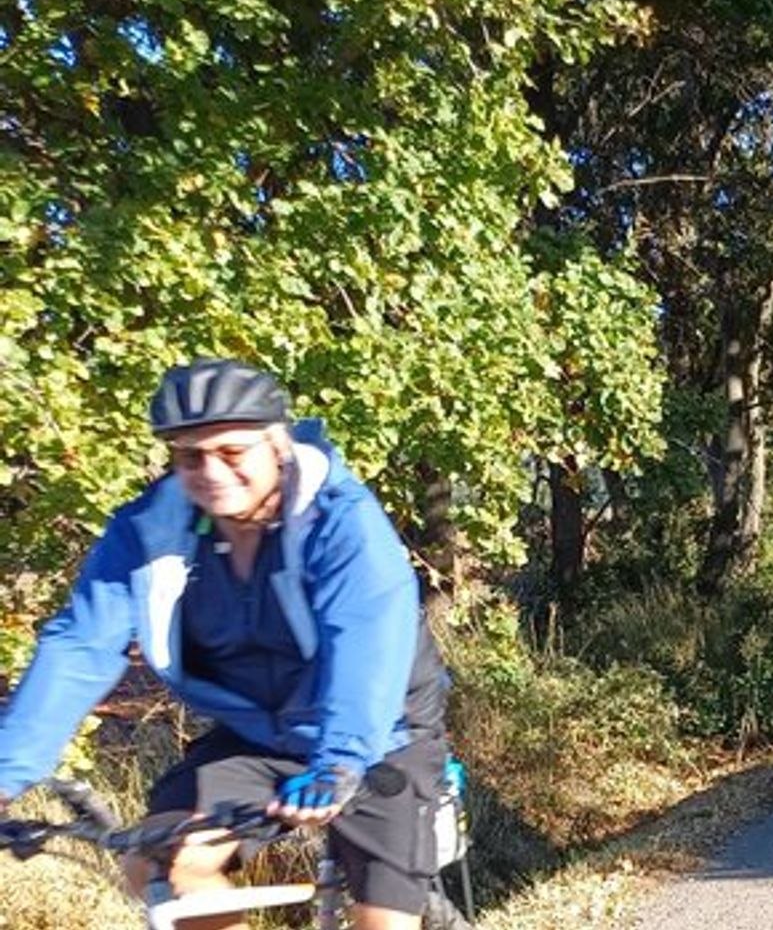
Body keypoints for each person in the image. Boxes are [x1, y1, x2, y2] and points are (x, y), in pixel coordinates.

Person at [0, 359, 450, 930]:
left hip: (382, 736)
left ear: (278, 444)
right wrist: (8, 771)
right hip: (258, 734)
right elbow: (80, 647)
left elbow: (366, 641)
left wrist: (338, 763)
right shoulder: (150, 530)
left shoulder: (341, 522)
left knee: (383, 921)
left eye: (233, 452)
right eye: (190, 457)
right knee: (160, 864)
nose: (212, 472)